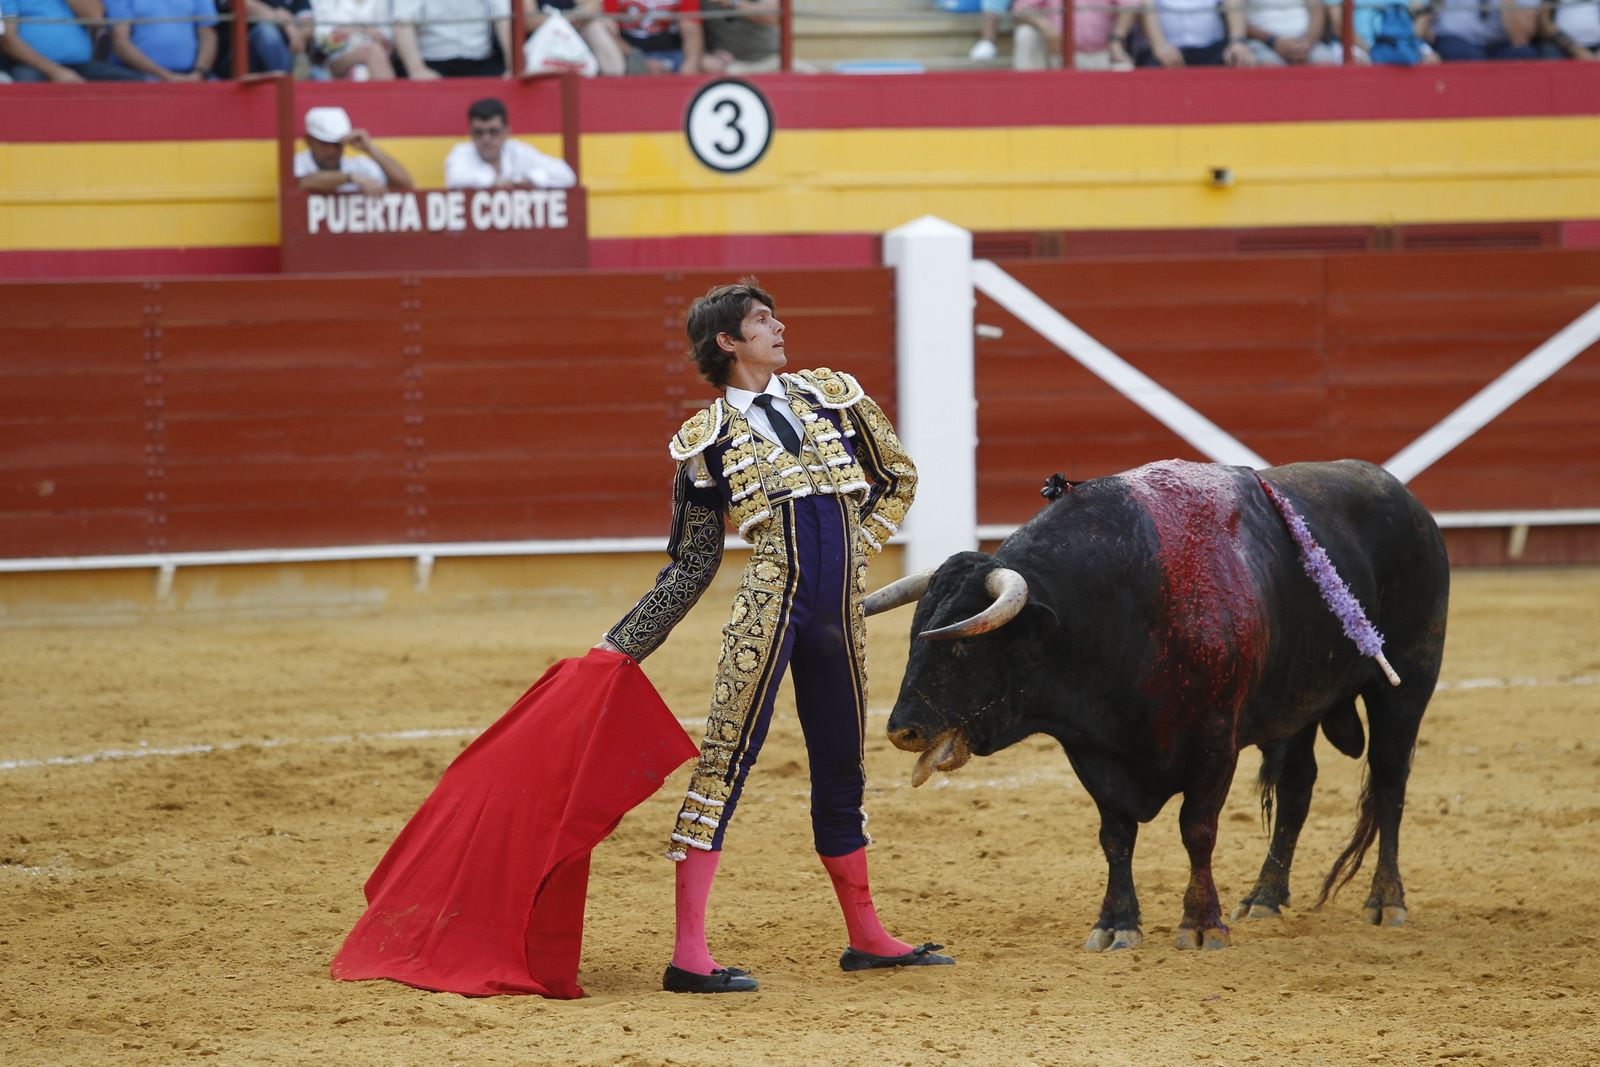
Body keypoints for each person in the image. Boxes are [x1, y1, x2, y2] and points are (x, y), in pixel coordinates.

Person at [594, 279, 952, 994]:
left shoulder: (833, 395)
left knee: (842, 766)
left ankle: (867, 936)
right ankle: (689, 954)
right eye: (762, 321)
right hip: (770, 607)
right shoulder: (705, 441)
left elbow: (899, 477)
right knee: (724, 762)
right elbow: (693, 562)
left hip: (836, 614)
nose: (779, 326)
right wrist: (621, 644)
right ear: (728, 342)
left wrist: (859, 544)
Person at [444, 97, 578, 189]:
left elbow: (566, 175)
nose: (486, 139)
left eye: (493, 131)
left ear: (506, 132)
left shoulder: (519, 151)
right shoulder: (461, 153)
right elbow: (455, 178)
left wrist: (527, 180)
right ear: (471, 133)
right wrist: (496, 183)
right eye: (479, 132)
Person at [0, 0, 144, 80]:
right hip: (32, 67)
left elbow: (95, 18)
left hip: (81, 65)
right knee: (25, 86)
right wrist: (55, 71)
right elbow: (7, 40)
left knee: (136, 83)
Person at [294, 106, 415, 194]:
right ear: (309, 141)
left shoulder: (357, 165)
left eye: (337, 144)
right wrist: (351, 178)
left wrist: (370, 148)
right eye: (324, 144)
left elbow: (405, 186)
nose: (331, 151)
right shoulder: (298, 162)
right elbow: (305, 182)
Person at [392, 0, 510, 78]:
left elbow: (504, 18)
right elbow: (403, 22)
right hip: (432, 64)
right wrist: (417, 70)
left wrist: (512, 67)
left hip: (482, 61)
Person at [105, 0, 218, 81]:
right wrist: (164, 76)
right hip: (137, 76)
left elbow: (208, 34)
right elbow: (120, 43)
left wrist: (200, 73)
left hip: (191, 76)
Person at [1013, 0, 1139, 69]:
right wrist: (1045, 26)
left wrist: (1116, 40)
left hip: (1102, 54)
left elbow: (1131, 4)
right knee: (1026, 34)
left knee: (1124, 68)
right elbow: (1021, 8)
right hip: (1056, 54)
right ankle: (1029, 101)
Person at [597, 0, 705, 74]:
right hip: (629, 54)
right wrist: (640, 60)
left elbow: (691, 30)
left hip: (672, 53)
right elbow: (608, 32)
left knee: (709, 65)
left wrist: (690, 65)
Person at [1137, 0, 1256, 66]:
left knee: (1239, 59)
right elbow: (1146, 6)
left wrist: (1237, 42)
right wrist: (1159, 45)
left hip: (1212, 48)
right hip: (1165, 50)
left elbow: (1233, 3)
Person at [310, 0, 397, 79]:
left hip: (376, 56)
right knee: (371, 51)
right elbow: (323, 41)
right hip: (333, 60)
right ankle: (392, 95)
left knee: (373, 52)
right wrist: (364, 32)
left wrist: (355, 31)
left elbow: (385, 39)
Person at [1425, 0, 1540, 59]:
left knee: (1525, 54)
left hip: (1497, 46)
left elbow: (1520, 39)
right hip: (1452, 37)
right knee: (1470, 57)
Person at [231, 0, 314, 77]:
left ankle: (290, 79)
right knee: (267, 32)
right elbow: (244, 4)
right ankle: (286, 82)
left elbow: (308, 28)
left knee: (321, 76)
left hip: (291, 56)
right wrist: (287, 24)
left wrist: (295, 34)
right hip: (245, 62)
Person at [1243, 0, 1342, 63]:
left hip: (1305, 40)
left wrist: (1307, 42)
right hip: (1263, 41)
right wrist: (1273, 41)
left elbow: (1317, 11)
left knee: (1324, 62)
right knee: (1269, 66)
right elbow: (1237, 19)